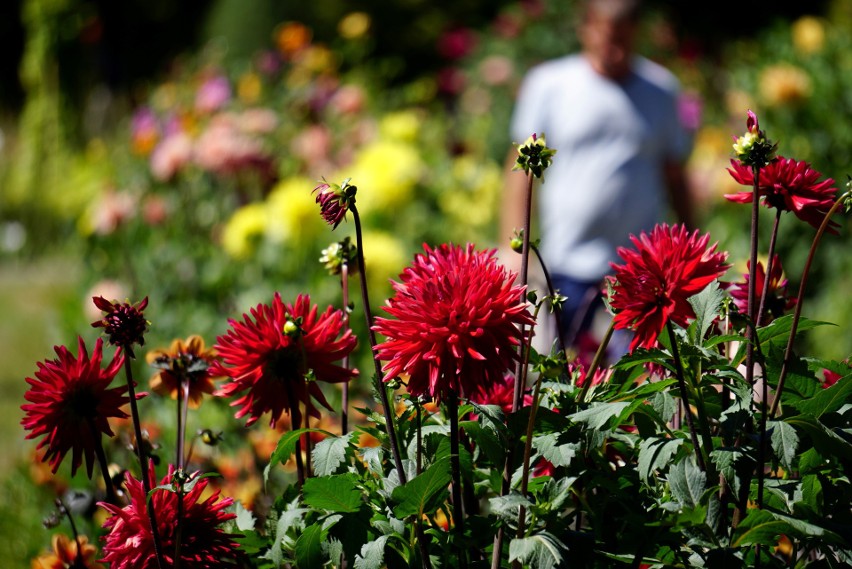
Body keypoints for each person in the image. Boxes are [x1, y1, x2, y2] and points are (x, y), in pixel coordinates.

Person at [500, 0, 695, 359]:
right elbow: (519, 171)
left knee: (633, 380)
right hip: (566, 262)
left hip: (638, 268)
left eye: (623, 40)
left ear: (637, 33)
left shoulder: (661, 90)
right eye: (607, 38)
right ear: (586, 29)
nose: (615, 50)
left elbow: (674, 173)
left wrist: (691, 245)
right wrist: (515, 249)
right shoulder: (551, 84)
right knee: (564, 374)